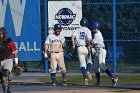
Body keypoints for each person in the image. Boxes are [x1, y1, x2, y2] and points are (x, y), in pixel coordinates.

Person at [90, 21, 118, 86]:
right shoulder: (96, 33)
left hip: (101, 51)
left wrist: (87, 44)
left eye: (94, 27)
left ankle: (113, 77)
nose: (93, 28)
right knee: (96, 68)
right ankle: (98, 82)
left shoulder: (97, 34)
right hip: (97, 51)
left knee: (102, 66)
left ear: (96, 27)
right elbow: (92, 44)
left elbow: (91, 44)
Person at [71, 18, 93, 85]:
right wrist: (90, 45)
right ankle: (88, 71)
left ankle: (85, 77)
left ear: (81, 23)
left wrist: (73, 45)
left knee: (82, 65)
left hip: (79, 48)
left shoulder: (77, 30)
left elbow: (72, 36)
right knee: (89, 61)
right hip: (86, 47)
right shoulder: (88, 30)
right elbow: (89, 40)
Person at [0, 27, 19, 93]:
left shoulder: (9, 41)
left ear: (4, 34)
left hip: (7, 60)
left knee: (5, 74)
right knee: (2, 77)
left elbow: (15, 52)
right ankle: (8, 90)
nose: (0, 35)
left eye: (1, 34)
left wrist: (16, 64)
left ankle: (5, 91)